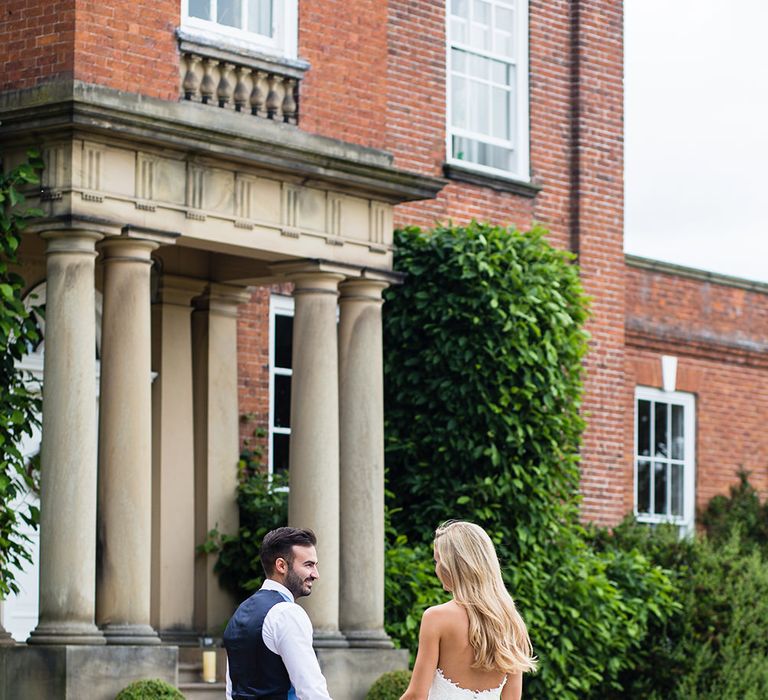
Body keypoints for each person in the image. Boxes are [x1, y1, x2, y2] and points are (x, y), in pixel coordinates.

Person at [400, 521, 536, 700]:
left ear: (452, 565)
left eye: (437, 560)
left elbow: (416, 696)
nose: (436, 568)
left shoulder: (436, 618)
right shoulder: (512, 623)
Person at [224, 527, 332, 700]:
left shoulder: (239, 614)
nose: (315, 574)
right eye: (308, 565)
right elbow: (311, 690)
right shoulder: (288, 614)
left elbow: (232, 690)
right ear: (281, 565)